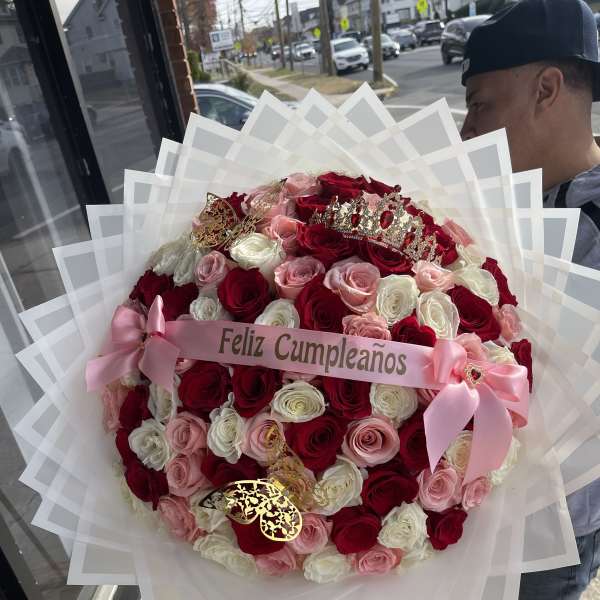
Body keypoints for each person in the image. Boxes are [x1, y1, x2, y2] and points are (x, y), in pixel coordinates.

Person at [460, 0, 600, 597]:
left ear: (546, 89)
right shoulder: (488, 209)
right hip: (465, 513)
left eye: (480, 105)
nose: (466, 130)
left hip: (552, 527)